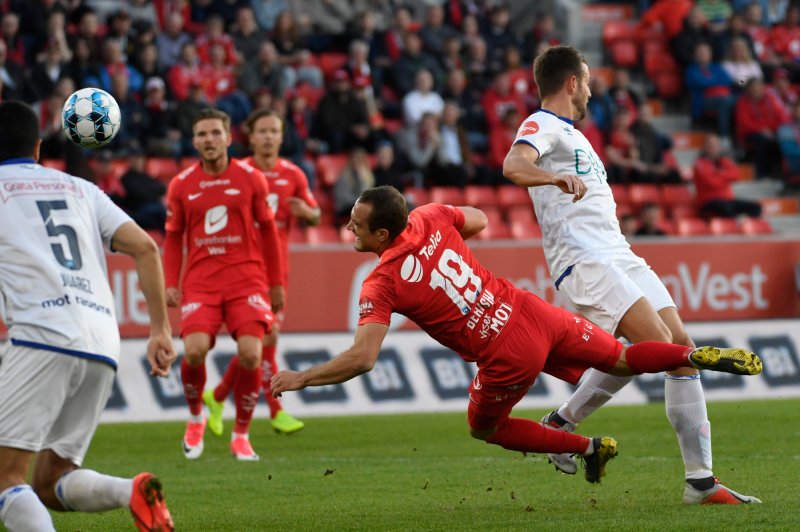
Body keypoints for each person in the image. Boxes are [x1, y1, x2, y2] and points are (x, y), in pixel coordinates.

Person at [269, 186, 762, 488]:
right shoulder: (429, 216)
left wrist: (303, 378)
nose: (347, 228)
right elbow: (479, 219)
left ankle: (585, 447)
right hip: (532, 310)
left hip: (504, 351)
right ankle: (689, 354)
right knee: (625, 359)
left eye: (356, 224)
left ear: (380, 236)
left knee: (485, 427)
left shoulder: (382, 282)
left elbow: (363, 358)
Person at [502, 45, 762, 505]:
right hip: (586, 261)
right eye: (586, 81)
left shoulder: (573, 135)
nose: (590, 90)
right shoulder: (542, 124)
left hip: (619, 254)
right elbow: (513, 164)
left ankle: (565, 424)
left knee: (677, 348)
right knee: (662, 350)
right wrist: (552, 179)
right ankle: (699, 482)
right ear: (571, 83)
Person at [0, 101, 176, 531]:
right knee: (49, 480)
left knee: (5, 479)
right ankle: (129, 491)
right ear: (39, 148)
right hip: (101, 342)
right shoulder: (82, 189)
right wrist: (159, 330)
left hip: (41, 335)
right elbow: (146, 248)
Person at [163, 108, 285, 461]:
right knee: (195, 351)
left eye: (216, 133)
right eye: (202, 134)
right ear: (194, 141)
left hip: (246, 278)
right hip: (201, 282)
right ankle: (195, 417)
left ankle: (241, 435)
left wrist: (275, 283)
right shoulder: (181, 184)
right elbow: (173, 238)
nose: (209, 140)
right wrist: (172, 281)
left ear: (229, 138)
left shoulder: (250, 179)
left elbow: (269, 232)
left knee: (251, 355)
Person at [203, 109, 320, 436]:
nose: (268, 136)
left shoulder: (293, 175)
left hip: (279, 268)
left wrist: (307, 212)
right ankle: (276, 409)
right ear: (251, 137)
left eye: (274, 131)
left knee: (260, 342)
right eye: (262, 131)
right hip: (245, 269)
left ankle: (218, 395)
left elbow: (316, 214)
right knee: (265, 338)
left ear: (282, 136)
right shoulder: (237, 172)